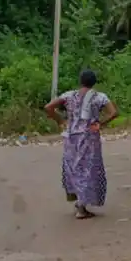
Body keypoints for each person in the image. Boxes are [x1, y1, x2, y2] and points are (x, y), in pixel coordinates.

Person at [44, 70, 118, 219]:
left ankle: (78, 200)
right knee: (88, 169)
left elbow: (48, 107)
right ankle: (81, 206)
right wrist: (100, 123)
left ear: (80, 81)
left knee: (74, 168)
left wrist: (61, 121)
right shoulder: (99, 97)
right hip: (90, 138)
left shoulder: (69, 95)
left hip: (72, 138)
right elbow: (114, 113)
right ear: (94, 82)